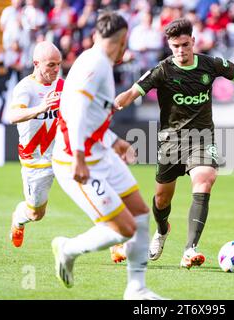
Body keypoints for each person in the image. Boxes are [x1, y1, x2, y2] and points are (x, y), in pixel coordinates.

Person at [114, 18, 234, 269]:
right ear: (169, 45)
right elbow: (132, 93)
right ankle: (162, 230)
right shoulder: (162, 70)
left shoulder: (210, 65)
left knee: (205, 179)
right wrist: (113, 104)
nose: (181, 50)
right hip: (170, 142)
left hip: (202, 139)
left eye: (185, 45)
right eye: (175, 46)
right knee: (161, 200)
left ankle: (190, 249)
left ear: (194, 42)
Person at [50, 11, 165, 300]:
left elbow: (92, 117)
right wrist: (77, 155)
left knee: (140, 214)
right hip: (77, 160)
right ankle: (68, 248)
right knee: (124, 228)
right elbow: (75, 110)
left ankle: (136, 288)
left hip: (99, 153)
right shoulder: (96, 64)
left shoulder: (97, 60)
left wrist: (115, 142)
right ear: (123, 41)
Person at [7, 40, 132, 249]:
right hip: (36, 160)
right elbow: (12, 116)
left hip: (64, 154)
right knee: (35, 213)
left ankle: (115, 243)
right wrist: (39, 108)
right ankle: (19, 218)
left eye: (58, 64)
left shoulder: (63, 86)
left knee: (93, 191)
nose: (56, 69)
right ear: (36, 63)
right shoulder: (25, 88)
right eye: (50, 65)